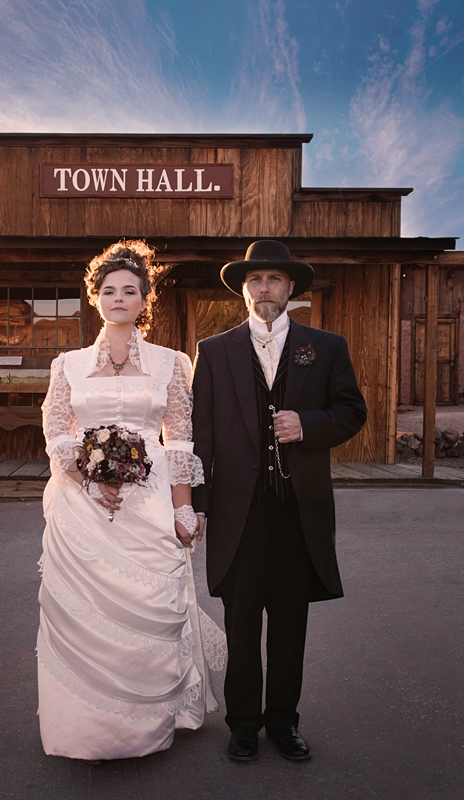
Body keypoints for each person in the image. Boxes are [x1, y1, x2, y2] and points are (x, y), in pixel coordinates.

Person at [37, 239, 221, 762]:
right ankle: (86, 725)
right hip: (81, 502)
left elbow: (180, 437)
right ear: (95, 298)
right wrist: (90, 479)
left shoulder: (171, 363)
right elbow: (55, 432)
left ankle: (152, 720)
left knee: (150, 607)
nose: (119, 298)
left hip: (152, 498)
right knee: (84, 611)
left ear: (145, 300)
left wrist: (184, 506)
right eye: (109, 290)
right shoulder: (67, 364)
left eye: (131, 290)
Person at [192, 239, 367, 762]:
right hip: (237, 511)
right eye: (255, 280)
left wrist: (307, 425)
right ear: (243, 290)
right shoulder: (215, 350)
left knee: (291, 623)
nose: (264, 287)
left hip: (297, 511)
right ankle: (242, 724)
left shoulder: (327, 346)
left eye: (273, 279)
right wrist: (196, 503)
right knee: (242, 622)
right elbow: (200, 435)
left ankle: (284, 722)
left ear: (291, 288)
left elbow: (352, 412)